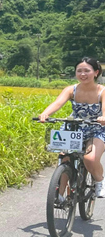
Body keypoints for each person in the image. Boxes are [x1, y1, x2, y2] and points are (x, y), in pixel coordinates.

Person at [38, 56, 105, 198]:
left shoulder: (102, 91)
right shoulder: (71, 90)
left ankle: (99, 181)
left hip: (96, 128)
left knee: (90, 159)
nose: (82, 74)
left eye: (87, 71)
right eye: (79, 71)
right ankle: (59, 195)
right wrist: (45, 113)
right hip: (74, 127)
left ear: (96, 72)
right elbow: (57, 103)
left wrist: (103, 117)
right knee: (65, 158)